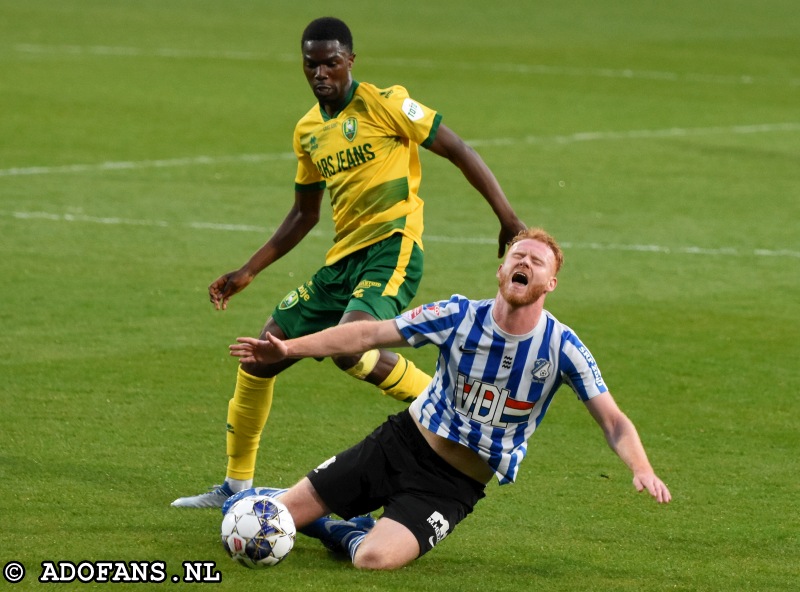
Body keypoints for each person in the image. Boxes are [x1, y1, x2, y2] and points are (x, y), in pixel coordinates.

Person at [171, 16, 524, 508]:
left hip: (392, 248)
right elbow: (304, 213)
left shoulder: (385, 103)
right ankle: (234, 488)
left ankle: (452, 411)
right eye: (311, 64)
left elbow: (459, 149)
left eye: (331, 63)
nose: (320, 73)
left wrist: (507, 219)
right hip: (342, 262)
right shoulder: (309, 131)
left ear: (350, 62)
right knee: (260, 356)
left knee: (348, 347)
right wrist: (249, 269)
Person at [226, 227, 672, 570]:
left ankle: (338, 529)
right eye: (518, 256)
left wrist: (642, 469)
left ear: (550, 283)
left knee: (373, 560)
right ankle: (298, 503)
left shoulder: (563, 348)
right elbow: (367, 332)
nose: (525, 263)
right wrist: (289, 347)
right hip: (400, 444)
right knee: (265, 517)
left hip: (450, 486)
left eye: (537, 262)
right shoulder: (457, 315)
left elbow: (613, 421)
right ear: (501, 271)